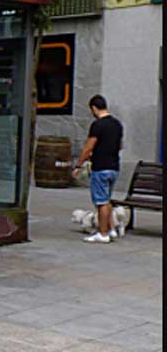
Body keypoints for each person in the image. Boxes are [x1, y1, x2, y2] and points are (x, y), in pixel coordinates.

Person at [72, 95, 124, 243]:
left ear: (94, 108)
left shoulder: (98, 125)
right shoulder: (117, 124)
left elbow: (88, 147)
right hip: (114, 167)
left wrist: (78, 165)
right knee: (106, 200)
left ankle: (103, 234)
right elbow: (120, 145)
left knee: (101, 202)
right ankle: (111, 229)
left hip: (101, 167)